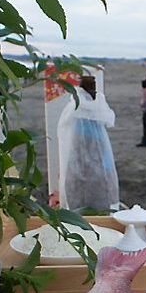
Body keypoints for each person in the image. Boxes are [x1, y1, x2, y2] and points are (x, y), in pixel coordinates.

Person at [52, 74, 119, 210]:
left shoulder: (74, 109)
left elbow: (67, 146)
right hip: (99, 173)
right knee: (100, 212)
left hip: (78, 173)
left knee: (80, 210)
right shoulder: (97, 108)